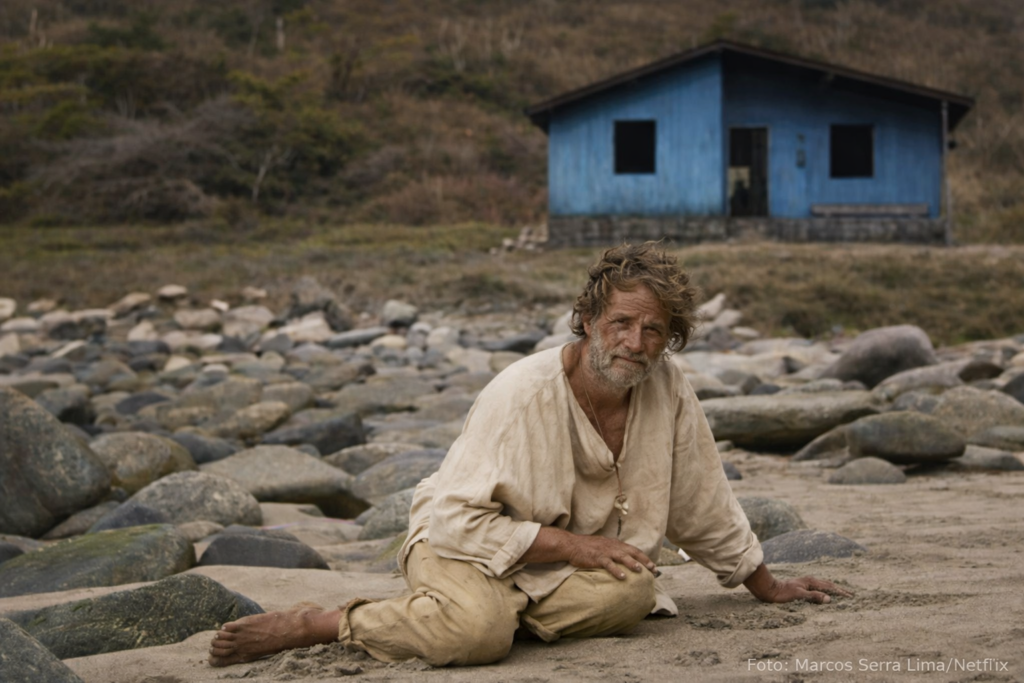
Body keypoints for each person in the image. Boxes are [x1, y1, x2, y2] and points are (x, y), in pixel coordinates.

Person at [208, 242, 851, 668]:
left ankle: (482, 614)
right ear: (590, 321)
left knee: (635, 591)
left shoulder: (666, 386)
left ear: (669, 339)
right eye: (622, 323)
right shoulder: (521, 393)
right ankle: (320, 623)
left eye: (653, 330)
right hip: (460, 543)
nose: (635, 343)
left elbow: (700, 497)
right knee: (478, 635)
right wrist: (576, 547)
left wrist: (764, 583)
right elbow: (456, 521)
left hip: (555, 566)